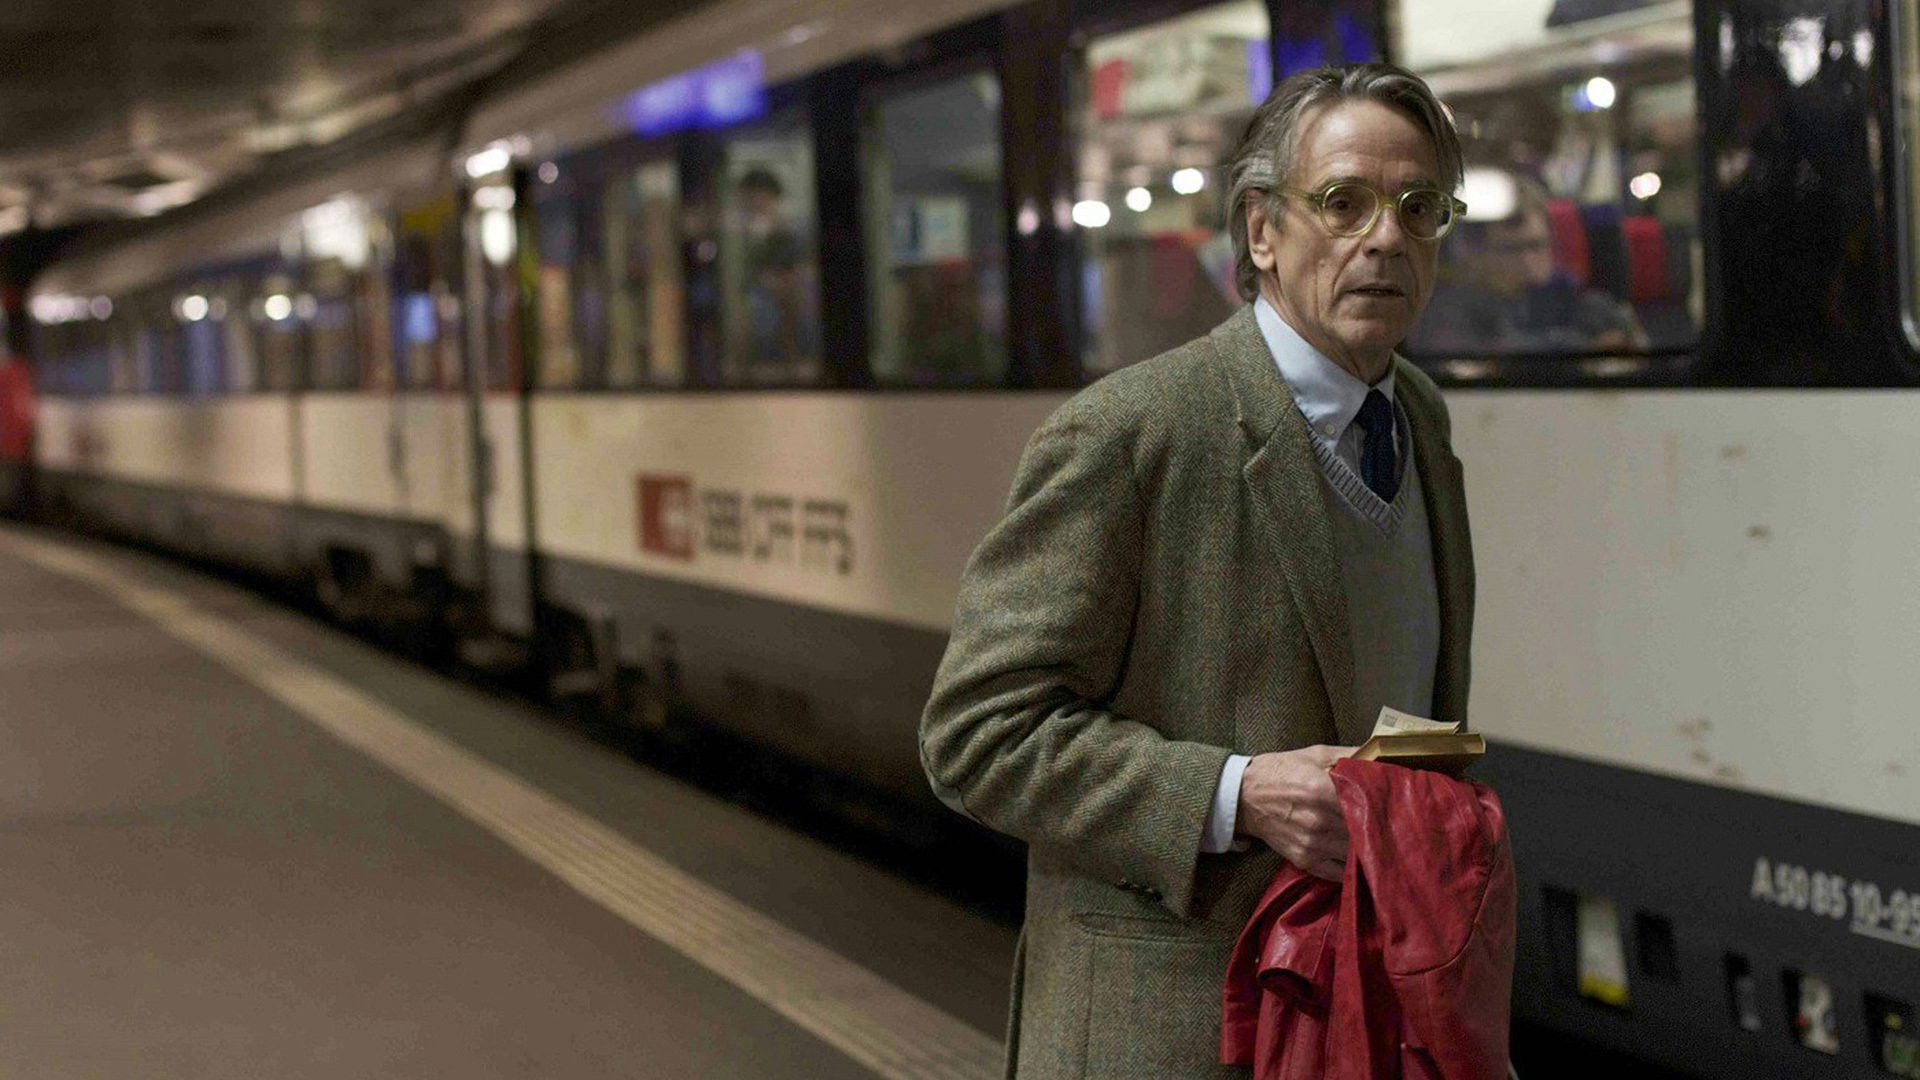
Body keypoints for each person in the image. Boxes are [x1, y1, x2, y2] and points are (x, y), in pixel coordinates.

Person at [920, 62, 1476, 1078]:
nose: (1386, 238)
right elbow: (977, 735)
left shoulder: (1418, 420)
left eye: (1419, 208)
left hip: (1364, 1014)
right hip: (1179, 1032)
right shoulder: (1132, 433)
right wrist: (1234, 793)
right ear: (1261, 230)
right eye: (1343, 202)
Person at [1410, 175, 1644, 354]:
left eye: (1537, 245)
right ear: (1474, 255)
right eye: (1512, 249)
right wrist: (1586, 349)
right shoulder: (1449, 310)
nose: (1528, 261)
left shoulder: (1580, 302)